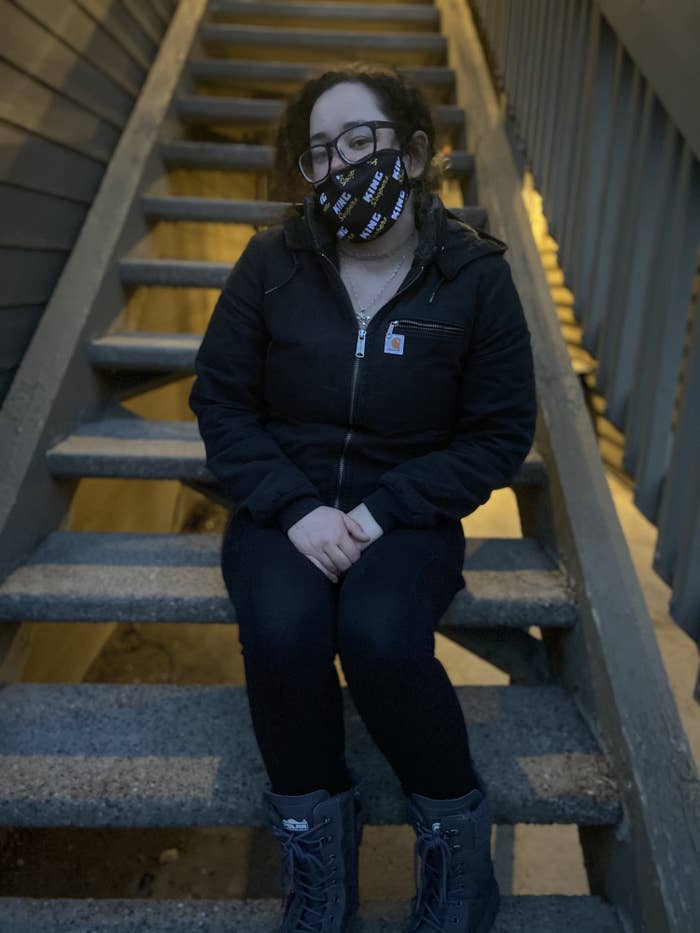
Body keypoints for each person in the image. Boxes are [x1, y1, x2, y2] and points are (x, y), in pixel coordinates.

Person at [189, 62, 537, 933]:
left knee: (379, 634)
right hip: (285, 502)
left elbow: (497, 433)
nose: (338, 164)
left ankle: (456, 843)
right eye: (318, 151)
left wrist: (384, 510)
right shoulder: (272, 262)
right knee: (282, 627)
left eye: (358, 141)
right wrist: (296, 507)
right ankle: (316, 852)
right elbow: (222, 400)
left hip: (406, 511)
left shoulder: (475, 279)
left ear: (414, 153)